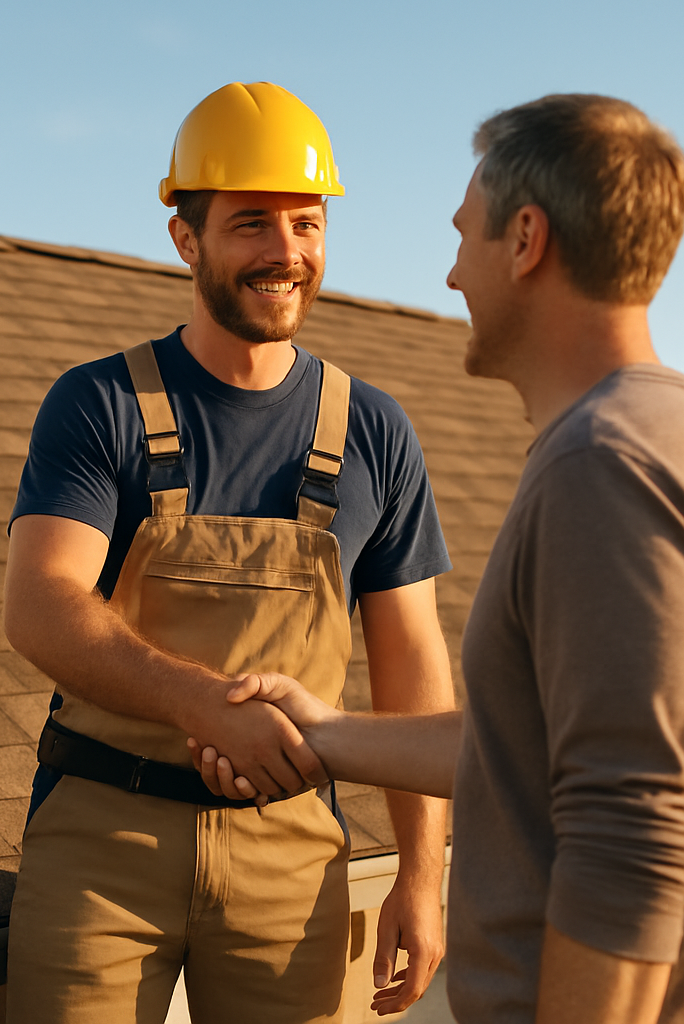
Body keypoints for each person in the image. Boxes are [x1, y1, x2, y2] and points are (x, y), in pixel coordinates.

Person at [194, 93, 684, 1024]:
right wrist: (324, 731)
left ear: (527, 240)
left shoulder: (602, 466)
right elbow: (532, 751)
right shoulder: (656, 433)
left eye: (466, 235)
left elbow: (634, 828)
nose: (452, 275)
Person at [3, 81, 454, 1024]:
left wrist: (422, 872)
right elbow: (42, 601)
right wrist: (205, 705)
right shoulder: (101, 405)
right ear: (186, 238)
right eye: (251, 223)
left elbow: (413, 663)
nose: (285, 253)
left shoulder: (372, 430)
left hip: (290, 856)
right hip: (101, 846)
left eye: (306, 223)